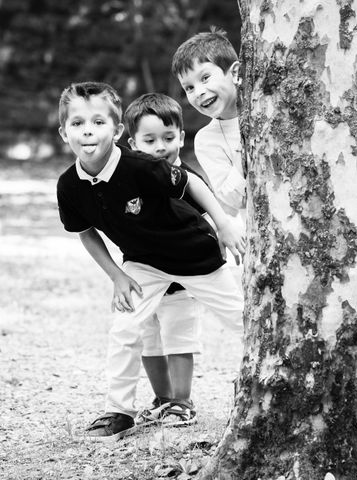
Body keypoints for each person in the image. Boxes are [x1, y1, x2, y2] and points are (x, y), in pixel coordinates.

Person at [56, 81, 245, 440]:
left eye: (98, 122)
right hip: (143, 261)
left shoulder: (141, 166)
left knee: (241, 319)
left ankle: (282, 377)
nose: (88, 131)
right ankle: (119, 411)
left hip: (196, 256)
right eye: (78, 124)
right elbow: (84, 231)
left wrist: (223, 224)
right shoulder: (69, 185)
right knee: (125, 330)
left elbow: (190, 182)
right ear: (64, 132)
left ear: (118, 130)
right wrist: (116, 275)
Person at [123, 92, 212, 428]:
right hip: (142, 275)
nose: (160, 147)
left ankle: (182, 401)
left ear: (181, 137)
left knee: (179, 337)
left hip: (182, 278)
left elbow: (208, 220)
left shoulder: (189, 181)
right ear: (133, 144)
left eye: (168, 138)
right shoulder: (128, 181)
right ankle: (161, 399)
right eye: (149, 140)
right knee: (148, 337)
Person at [170, 26, 246, 240]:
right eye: (189, 88)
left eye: (205, 78)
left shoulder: (267, 112)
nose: (199, 92)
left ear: (235, 73)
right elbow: (233, 200)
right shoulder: (207, 140)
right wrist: (242, 154)